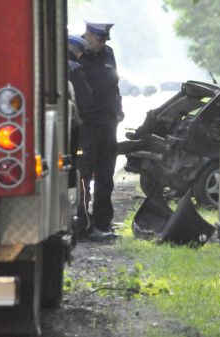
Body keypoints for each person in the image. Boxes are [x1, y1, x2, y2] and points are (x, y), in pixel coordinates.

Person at [76, 21, 123, 241]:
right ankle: (83, 226)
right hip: (86, 126)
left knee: (106, 176)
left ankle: (103, 223)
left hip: (107, 124)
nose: (103, 43)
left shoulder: (107, 54)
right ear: (89, 35)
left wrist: (118, 110)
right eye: (100, 39)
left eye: (105, 39)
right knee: (84, 176)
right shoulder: (76, 54)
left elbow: (114, 86)